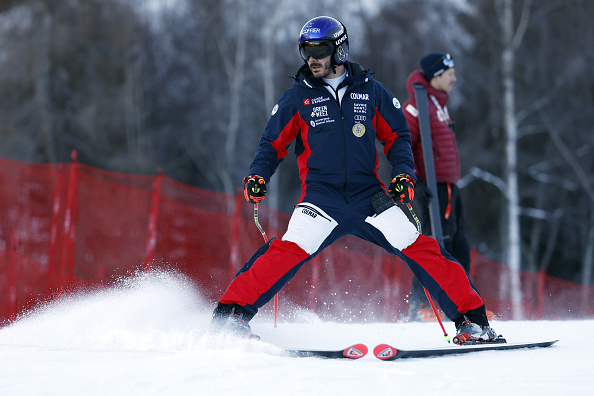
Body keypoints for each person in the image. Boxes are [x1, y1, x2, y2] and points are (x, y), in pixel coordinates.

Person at [210, 16, 497, 343]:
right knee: (287, 250)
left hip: (369, 197)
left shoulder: (371, 91)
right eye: (306, 51)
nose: (312, 59)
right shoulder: (297, 97)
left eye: (319, 50)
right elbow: (272, 144)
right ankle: (230, 317)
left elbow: (399, 137)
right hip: (320, 199)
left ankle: (473, 322)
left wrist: (404, 174)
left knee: (419, 246)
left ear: (340, 49)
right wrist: (258, 175)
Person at [402, 53, 472, 322]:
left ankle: (462, 305)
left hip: (449, 185)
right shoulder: (417, 105)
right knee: (435, 245)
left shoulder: (438, 104)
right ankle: (421, 306)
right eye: (449, 73)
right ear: (435, 76)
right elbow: (401, 145)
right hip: (431, 187)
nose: (454, 78)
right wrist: (414, 181)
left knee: (459, 246)